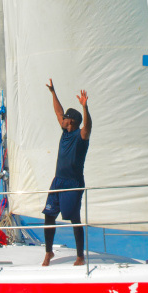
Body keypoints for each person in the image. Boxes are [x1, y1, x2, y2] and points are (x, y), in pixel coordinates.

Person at [41, 79, 92, 267]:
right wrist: (53, 92)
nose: (62, 120)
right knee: (49, 216)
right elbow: (58, 111)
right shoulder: (64, 132)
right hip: (58, 181)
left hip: (73, 183)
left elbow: (88, 127)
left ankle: (80, 256)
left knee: (74, 217)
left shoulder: (81, 136)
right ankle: (49, 252)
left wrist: (85, 108)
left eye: (65, 118)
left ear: (71, 121)